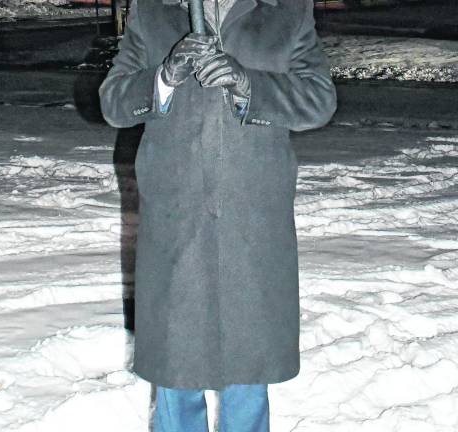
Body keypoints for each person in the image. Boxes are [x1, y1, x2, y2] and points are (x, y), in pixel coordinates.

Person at [98, 0, 337, 430]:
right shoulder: (152, 12)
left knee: (250, 355)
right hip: (176, 213)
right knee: (176, 355)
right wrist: (163, 77)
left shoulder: (287, 12)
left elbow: (319, 101)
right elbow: (113, 102)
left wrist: (250, 85)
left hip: (254, 212)